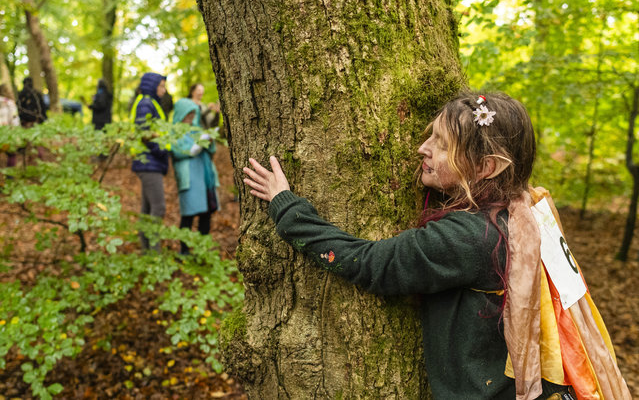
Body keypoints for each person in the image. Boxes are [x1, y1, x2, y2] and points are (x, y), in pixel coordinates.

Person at [243, 92, 631, 400]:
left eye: (441, 144)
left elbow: (368, 263)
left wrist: (287, 207)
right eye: (431, 134)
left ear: (485, 169)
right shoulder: (526, 208)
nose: (421, 149)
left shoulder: (467, 238)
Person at [170, 98, 219, 254]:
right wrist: (195, 147)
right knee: (188, 215)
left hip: (205, 177)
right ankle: (184, 250)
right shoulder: (174, 132)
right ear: (180, 114)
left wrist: (209, 141)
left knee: (206, 214)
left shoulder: (198, 129)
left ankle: (201, 248)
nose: (190, 118)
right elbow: (178, 152)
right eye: (187, 115)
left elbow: (212, 151)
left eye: (193, 115)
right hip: (189, 179)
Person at [131, 72, 168, 251]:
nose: (164, 89)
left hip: (150, 162)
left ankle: (146, 250)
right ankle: (154, 254)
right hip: (149, 162)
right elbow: (144, 133)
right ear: (152, 86)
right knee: (158, 208)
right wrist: (161, 150)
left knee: (147, 210)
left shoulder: (149, 103)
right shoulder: (146, 103)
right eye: (161, 86)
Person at [0, 84, 19, 167]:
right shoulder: (10, 103)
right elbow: (14, 119)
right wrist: (16, 133)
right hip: (7, 134)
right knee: (12, 153)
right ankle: (9, 177)